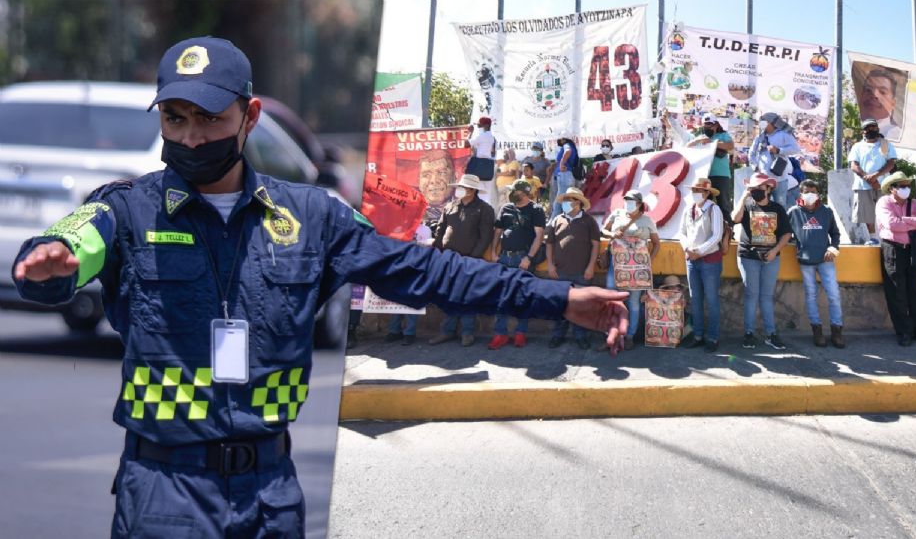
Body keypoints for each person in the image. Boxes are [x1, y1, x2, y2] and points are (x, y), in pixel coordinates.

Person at [11, 37, 632, 538]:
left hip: (270, 497)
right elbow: (67, 251)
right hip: (163, 494)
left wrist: (559, 297)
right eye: (175, 120)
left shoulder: (314, 216)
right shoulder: (126, 209)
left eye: (209, 119)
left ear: (249, 116)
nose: (191, 138)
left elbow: (430, 272)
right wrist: (46, 268)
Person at [429, 174, 496, 347]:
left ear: (473, 190)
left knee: (467, 296)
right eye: (460, 186)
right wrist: (438, 252)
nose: (460, 189)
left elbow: (485, 236)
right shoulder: (450, 206)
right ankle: (447, 331)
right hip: (448, 259)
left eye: (463, 187)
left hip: (469, 260)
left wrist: (472, 258)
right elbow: (440, 229)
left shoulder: (484, 209)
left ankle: (467, 332)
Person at [876, 172, 916, 346]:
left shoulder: (915, 203)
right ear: (892, 189)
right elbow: (892, 225)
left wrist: (904, 220)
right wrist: (913, 223)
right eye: (901, 186)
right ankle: (904, 332)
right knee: (897, 292)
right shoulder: (884, 202)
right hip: (893, 250)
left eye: (907, 185)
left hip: (914, 251)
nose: (906, 189)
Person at [732, 173, 793, 350]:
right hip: (748, 257)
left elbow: (786, 234)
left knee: (766, 297)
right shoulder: (747, 205)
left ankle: (771, 333)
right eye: (753, 188)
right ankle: (749, 333)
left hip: (770, 258)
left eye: (759, 188)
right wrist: (744, 196)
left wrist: (775, 251)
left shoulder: (778, 208)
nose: (756, 191)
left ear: (769, 189)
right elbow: (735, 218)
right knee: (751, 296)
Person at [488, 179, 546, 350]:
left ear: (525, 192)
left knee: (523, 296)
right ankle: (500, 334)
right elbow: (497, 232)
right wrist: (493, 252)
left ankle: (520, 333)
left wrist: (529, 257)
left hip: (523, 259)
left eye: (515, 191)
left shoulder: (536, 210)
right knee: (501, 297)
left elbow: (539, 236)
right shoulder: (506, 208)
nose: (512, 193)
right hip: (504, 258)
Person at [787, 180, 845, 348]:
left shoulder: (826, 211)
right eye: (806, 191)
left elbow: (835, 233)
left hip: (825, 259)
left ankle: (837, 331)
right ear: (801, 193)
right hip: (805, 260)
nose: (810, 194)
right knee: (810, 295)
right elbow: (785, 232)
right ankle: (817, 331)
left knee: (833, 294)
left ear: (818, 193)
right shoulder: (793, 212)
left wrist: (833, 248)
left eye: (813, 191)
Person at [600, 190, 660, 350]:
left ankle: (629, 335)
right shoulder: (617, 214)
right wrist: (612, 234)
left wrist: (648, 262)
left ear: (639, 203)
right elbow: (603, 230)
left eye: (631, 200)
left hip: (638, 268)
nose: (628, 202)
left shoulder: (647, 220)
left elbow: (656, 243)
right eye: (626, 199)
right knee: (612, 297)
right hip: (616, 264)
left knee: (633, 302)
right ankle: (611, 334)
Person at [546, 187, 601, 350]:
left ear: (578, 202)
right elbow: (549, 244)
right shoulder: (556, 220)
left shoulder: (589, 221)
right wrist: (550, 264)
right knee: (560, 305)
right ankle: (558, 335)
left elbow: (595, 246)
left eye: (570, 199)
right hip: (560, 271)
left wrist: (591, 266)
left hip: (582, 272)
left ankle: (580, 336)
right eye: (565, 199)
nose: (566, 202)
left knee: (581, 306)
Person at [678, 178, 724, 352]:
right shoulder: (688, 210)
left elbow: (717, 236)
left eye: (699, 190)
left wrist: (699, 251)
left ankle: (712, 337)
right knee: (695, 299)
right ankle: (697, 335)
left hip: (709, 260)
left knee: (712, 300)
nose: (695, 193)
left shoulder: (714, 209)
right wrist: (688, 249)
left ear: (707, 193)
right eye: (694, 190)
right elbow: (682, 232)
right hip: (691, 259)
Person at [848, 119, 896, 245]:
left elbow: (891, 163)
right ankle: (873, 237)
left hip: (883, 185)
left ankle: (886, 237)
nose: (871, 130)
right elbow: (854, 165)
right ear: (862, 131)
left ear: (878, 129)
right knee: (867, 213)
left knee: (886, 211)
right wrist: (868, 178)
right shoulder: (857, 146)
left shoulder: (886, 144)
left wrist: (876, 175)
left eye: (873, 127)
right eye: (867, 128)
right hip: (863, 185)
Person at [748, 112, 801, 208]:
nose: (761, 124)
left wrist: (779, 150)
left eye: (763, 122)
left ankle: (781, 223)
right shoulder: (760, 137)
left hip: (779, 179)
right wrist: (755, 167)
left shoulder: (784, 135)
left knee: (780, 206)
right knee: (762, 206)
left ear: (772, 123)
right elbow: (751, 154)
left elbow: (796, 149)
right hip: (763, 180)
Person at [687, 113, 735, 218]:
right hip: (704, 175)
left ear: (716, 125)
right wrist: (698, 140)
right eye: (705, 125)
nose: (707, 127)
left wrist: (713, 142)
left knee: (724, 204)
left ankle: (728, 231)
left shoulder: (723, 135)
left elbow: (731, 145)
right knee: (704, 204)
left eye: (710, 124)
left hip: (721, 175)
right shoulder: (700, 137)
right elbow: (687, 147)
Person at [859, 68, 903, 140]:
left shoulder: (897, 136)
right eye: (868, 90)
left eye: (882, 92)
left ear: (893, 103)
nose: (874, 95)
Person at [417, 149, 456, 224]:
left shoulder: (465, 209)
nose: (434, 180)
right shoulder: (410, 214)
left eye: (441, 173)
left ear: (454, 177)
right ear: (419, 181)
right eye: (426, 175)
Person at [547, 134, 579, 217]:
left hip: (565, 175)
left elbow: (568, 151)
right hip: (567, 175)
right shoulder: (571, 145)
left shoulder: (567, 145)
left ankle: (553, 222)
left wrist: (561, 163)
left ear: (564, 139)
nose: (559, 141)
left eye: (560, 139)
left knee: (560, 199)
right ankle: (560, 219)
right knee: (564, 200)